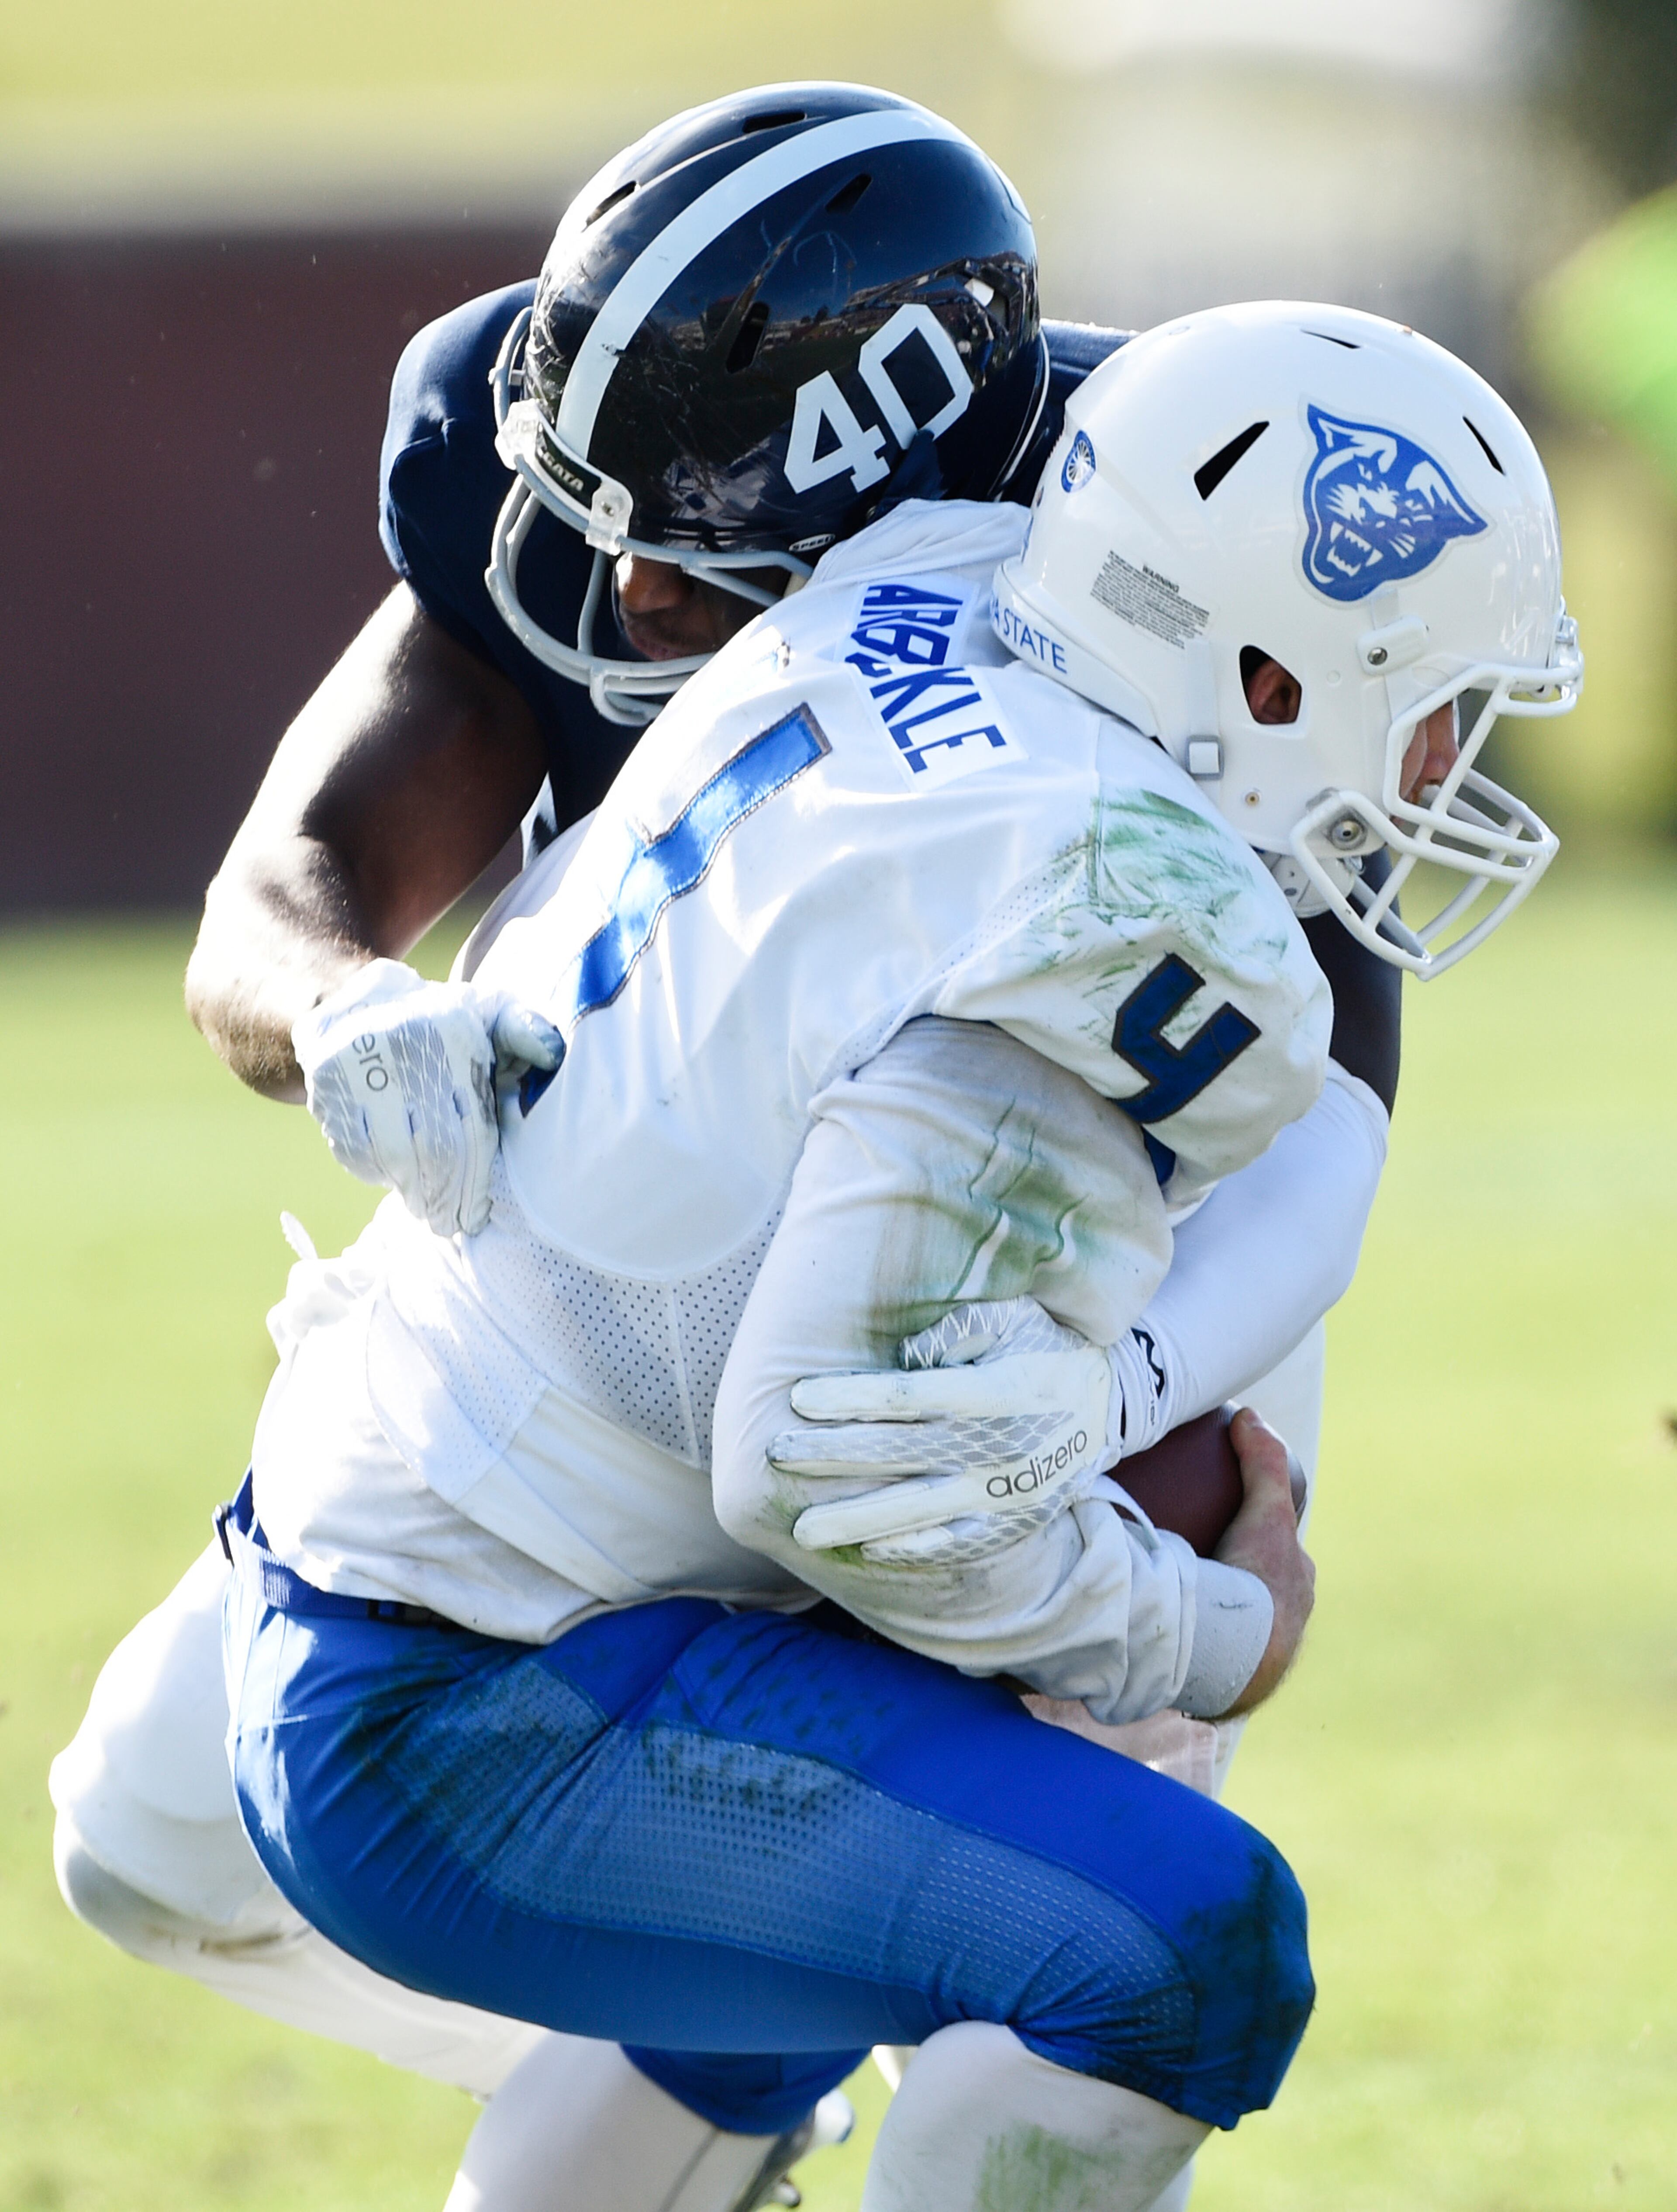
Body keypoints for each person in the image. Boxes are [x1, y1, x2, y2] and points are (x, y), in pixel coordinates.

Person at [48, 82, 1402, 2212]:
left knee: (1071, 1910)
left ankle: (759, 2051)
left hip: (1029, 1263)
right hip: (592, 1312)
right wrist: (351, 1011)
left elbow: (1310, 1090)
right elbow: (291, 882)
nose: (613, 578)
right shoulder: (585, 448)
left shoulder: (1150, 536)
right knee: (140, 1839)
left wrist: (1148, 1446)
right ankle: (747, 2029)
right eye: (596, 501)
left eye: (677, 537)